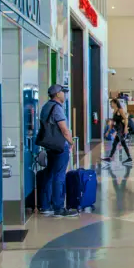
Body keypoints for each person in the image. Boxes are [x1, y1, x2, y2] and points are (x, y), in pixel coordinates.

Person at [38, 85, 78, 217]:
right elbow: (64, 129)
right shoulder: (57, 108)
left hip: (50, 145)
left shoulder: (46, 107)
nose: (65, 95)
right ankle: (59, 208)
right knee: (59, 176)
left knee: (49, 174)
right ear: (57, 94)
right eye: (63, 92)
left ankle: (45, 206)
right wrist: (71, 142)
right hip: (60, 146)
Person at [102, 99, 133, 165]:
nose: (110, 105)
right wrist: (108, 131)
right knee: (119, 144)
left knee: (117, 143)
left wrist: (125, 128)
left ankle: (110, 158)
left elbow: (126, 119)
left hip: (121, 130)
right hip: (118, 130)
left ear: (115, 103)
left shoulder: (120, 110)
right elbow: (112, 123)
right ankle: (128, 158)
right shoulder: (114, 112)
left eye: (111, 103)